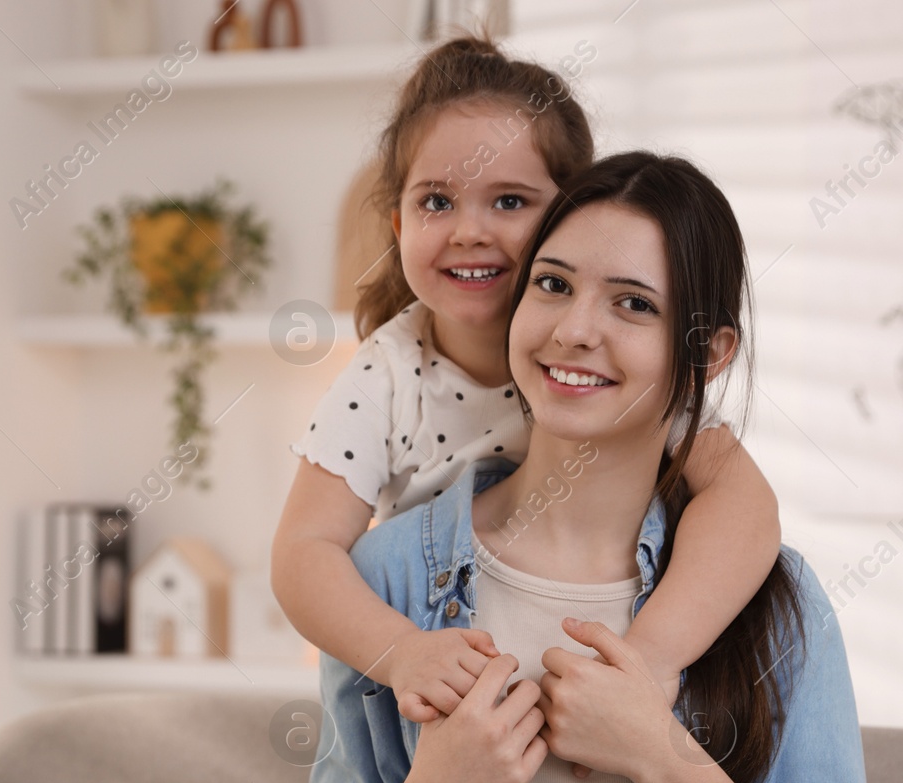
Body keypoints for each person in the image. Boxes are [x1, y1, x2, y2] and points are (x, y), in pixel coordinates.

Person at [296, 151, 892, 783]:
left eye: (633, 304)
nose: (576, 329)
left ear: (709, 353)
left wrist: (658, 753)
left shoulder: (768, 601)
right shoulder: (388, 585)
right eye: (553, 284)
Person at [272, 35, 783, 745]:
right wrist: (403, 653)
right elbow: (302, 554)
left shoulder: (596, 367)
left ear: (570, 215)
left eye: (508, 200)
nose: (468, 231)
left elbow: (745, 503)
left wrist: (653, 656)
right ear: (398, 225)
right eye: (436, 202)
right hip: (447, 681)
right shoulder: (388, 372)